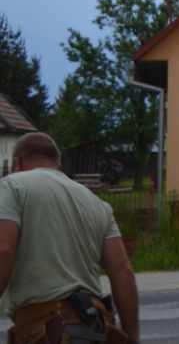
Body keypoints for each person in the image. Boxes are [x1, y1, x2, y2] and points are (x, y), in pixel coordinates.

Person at [0, 133, 139, 343]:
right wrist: (132, 336)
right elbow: (123, 272)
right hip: (95, 329)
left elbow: (4, 249)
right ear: (57, 164)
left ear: (17, 164)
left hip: (44, 330)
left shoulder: (11, 185)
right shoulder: (96, 203)